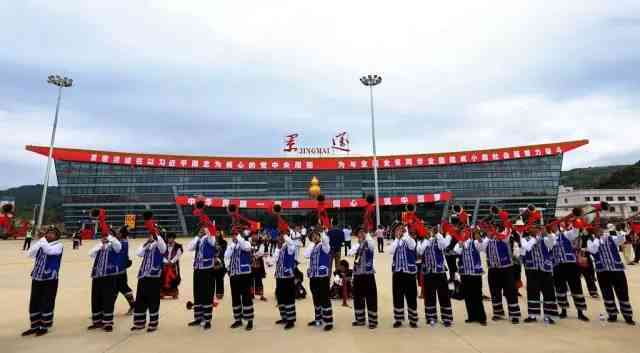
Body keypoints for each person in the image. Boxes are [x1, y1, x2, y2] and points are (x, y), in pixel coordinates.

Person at [587, 225, 635, 325]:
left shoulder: (611, 237)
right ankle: (612, 314)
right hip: (602, 271)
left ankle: (628, 316)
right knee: (607, 294)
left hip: (617, 270)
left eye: (600, 229)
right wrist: (597, 238)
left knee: (623, 293)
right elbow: (593, 250)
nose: (599, 230)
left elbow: (621, 239)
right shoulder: (591, 241)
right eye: (597, 229)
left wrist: (619, 231)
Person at [21, 226, 63, 337]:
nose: (49, 235)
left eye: (52, 233)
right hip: (37, 277)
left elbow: (49, 251)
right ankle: (34, 326)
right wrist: (39, 241)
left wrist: (42, 239)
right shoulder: (42, 243)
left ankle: (44, 326)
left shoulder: (58, 245)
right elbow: (30, 254)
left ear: (57, 236)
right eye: (48, 233)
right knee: (34, 302)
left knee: (47, 301)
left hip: (50, 278)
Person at [131, 211, 167, 332]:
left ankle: (153, 322)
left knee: (153, 299)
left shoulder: (161, 243)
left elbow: (162, 247)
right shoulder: (149, 244)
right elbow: (139, 253)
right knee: (141, 299)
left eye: (154, 231)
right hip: (143, 275)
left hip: (154, 276)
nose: (151, 233)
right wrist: (147, 242)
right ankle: (139, 322)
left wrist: (155, 236)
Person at [482, 225, 521, 324]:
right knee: (495, 292)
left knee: (510, 292)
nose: (490, 231)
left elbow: (504, 237)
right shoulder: (487, 240)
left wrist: (495, 233)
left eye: (492, 229)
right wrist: (488, 236)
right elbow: (482, 247)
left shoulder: (505, 237)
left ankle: (514, 315)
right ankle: (498, 313)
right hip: (493, 269)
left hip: (506, 268)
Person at [520, 227, 559, 324]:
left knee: (549, 292)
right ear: (529, 230)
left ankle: (549, 315)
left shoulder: (544, 239)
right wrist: (535, 238)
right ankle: (532, 315)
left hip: (545, 269)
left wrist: (548, 233)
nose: (536, 230)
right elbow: (527, 247)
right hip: (532, 269)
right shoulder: (524, 239)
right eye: (534, 228)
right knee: (533, 292)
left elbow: (552, 244)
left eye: (537, 228)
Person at [551, 224, 589, 321]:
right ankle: (563, 310)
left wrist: (576, 221)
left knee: (576, 287)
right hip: (557, 266)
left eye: (554, 226)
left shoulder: (566, 234)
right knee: (560, 288)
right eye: (551, 226)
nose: (553, 227)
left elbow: (575, 232)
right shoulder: (549, 238)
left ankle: (580, 312)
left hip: (570, 264)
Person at [417, 226, 453, 327]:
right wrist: (426, 240)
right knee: (429, 296)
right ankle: (431, 317)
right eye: (427, 230)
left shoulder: (438, 239)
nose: (429, 232)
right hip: (428, 273)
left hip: (440, 271)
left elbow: (444, 245)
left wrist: (437, 234)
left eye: (430, 230)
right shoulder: (422, 242)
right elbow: (420, 251)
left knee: (444, 295)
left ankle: (446, 318)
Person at [88, 228, 122, 332]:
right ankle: (97, 321)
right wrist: (100, 245)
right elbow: (91, 254)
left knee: (108, 298)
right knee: (96, 298)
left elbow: (118, 247)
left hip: (109, 275)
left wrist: (109, 237)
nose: (105, 236)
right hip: (98, 275)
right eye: (104, 235)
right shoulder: (100, 245)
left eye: (107, 235)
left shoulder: (115, 245)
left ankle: (108, 322)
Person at [454, 231, 487, 326]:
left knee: (477, 295)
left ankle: (481, 317)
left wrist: (479, 238)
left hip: (475, 274)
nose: (464, 235)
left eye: (466, 233)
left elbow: (482, 247)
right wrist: (460, 242)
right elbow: (457, 251)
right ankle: (471, 316)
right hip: (465, 274)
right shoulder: (460, 243)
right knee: (468, 296)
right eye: (463, 233)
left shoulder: (474, 242)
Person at [224, 228, 255, 330]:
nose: (233, 236)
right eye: (232, 234)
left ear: (240, 235)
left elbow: (246, 248)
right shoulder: (231, 245)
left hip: (244, 274)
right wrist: (228, 269)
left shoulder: (246, 243)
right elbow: (226, 256)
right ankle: (238, 319)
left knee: (246, 297)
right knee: (235, 298)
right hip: (234, 274)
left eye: (235, 234)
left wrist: (238, 238)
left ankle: (249, 320)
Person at [186, 227, 216, 330]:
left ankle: (207, 320)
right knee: (198, 294)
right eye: (201, 229)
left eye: (204, 229)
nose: (202, 230)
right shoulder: (199, 239)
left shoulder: (211, 238)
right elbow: (189, 248)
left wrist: (207, 230)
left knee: (207, 295)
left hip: (207, 270)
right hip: (198, 270)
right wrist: (197, 236)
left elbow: (212, 240)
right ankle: (198, 317)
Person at [389, 223, 418, 328]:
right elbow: (391, 251)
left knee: (411, 296)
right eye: (397, 230)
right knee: (397, 296)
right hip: (397, 272)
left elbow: (412, 246)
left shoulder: (409, 239)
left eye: (401, 229)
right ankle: (398, 319)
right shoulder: (395, 242)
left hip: (409, 272)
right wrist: (397, 239)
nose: (399, 231)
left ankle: (413, 319)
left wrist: (405, 234)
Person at [348, 227, 378, 329]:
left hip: (368, 274)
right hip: (358, 274)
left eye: (362, 232)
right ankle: (360, 319)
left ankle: (372, 321)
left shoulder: (370, 243)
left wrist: (367, 235)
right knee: (358, 298)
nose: (361, 234)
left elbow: (372, 246)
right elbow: (350, 253)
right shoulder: (356, 245)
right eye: (359, 233)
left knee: (371, 297)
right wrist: (359, 245)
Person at [304, 230, 333, 331]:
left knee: (324, 298)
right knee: (316, 298)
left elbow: (326, 241)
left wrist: (321, 232)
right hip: (313, 277)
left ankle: (329, 321)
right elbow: (306, 255)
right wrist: (312, 243)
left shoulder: (324, 246)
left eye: (316, 235)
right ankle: (318, 319)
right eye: (312, 236)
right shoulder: (312, 247)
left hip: (322, 277)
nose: (315, 237)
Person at [274, 230, 298, 329]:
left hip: (288, 277)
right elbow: (275, 259)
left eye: (281, 236)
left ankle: (291, 320)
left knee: (288, 298)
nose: (279, 238)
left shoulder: (290, 247)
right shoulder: (279, 248)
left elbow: (291, 243)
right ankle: (284, 317)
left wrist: (284, 234)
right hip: (279, 276)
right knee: (280, 297)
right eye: (279, 236)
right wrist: (277, 249)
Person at [114, 226, 135, 315]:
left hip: (119, 269)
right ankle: (106, 309)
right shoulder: (123, 241)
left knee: (123, 287)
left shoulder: (122, 242)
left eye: (118, 232)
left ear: (122, 234)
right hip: (119, 268)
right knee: (116, 288)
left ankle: (134, 306)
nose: (116, 233)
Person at [161, 233, 183, 299]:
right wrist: (166, 261)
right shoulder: (163, 245)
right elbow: (161, 254)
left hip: (173, 266)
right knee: (162, 278)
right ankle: (162, 292)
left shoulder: (178, 246)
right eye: (169, 238)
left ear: (174, 239)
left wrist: (172, 261)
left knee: (174, 279)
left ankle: (174, 293)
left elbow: (178, 255)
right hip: (165, 265)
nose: (170, 240)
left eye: (171, 238)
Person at [250, 232, 267, 301]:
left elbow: (261, 252)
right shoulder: (248, 243)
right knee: (250, 280)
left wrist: (254, 256)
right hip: (250, 264)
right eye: (253, 235)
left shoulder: (261, 244)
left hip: (259, 264)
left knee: (259, 279)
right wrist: (251, 256)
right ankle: (251, 294)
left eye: (255, 235)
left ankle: (261, 295)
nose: (254, 236)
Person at [213, 233, 227, 304]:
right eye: (216, 233)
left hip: (221, 262)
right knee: (211, 279)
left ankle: (220, 293)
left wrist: (217, 258)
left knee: (219, 279)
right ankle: (211, 293)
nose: (216, 234)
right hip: (212, 262)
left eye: (218, 233)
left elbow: (223, 252)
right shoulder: (211, 241)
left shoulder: (224, 243)